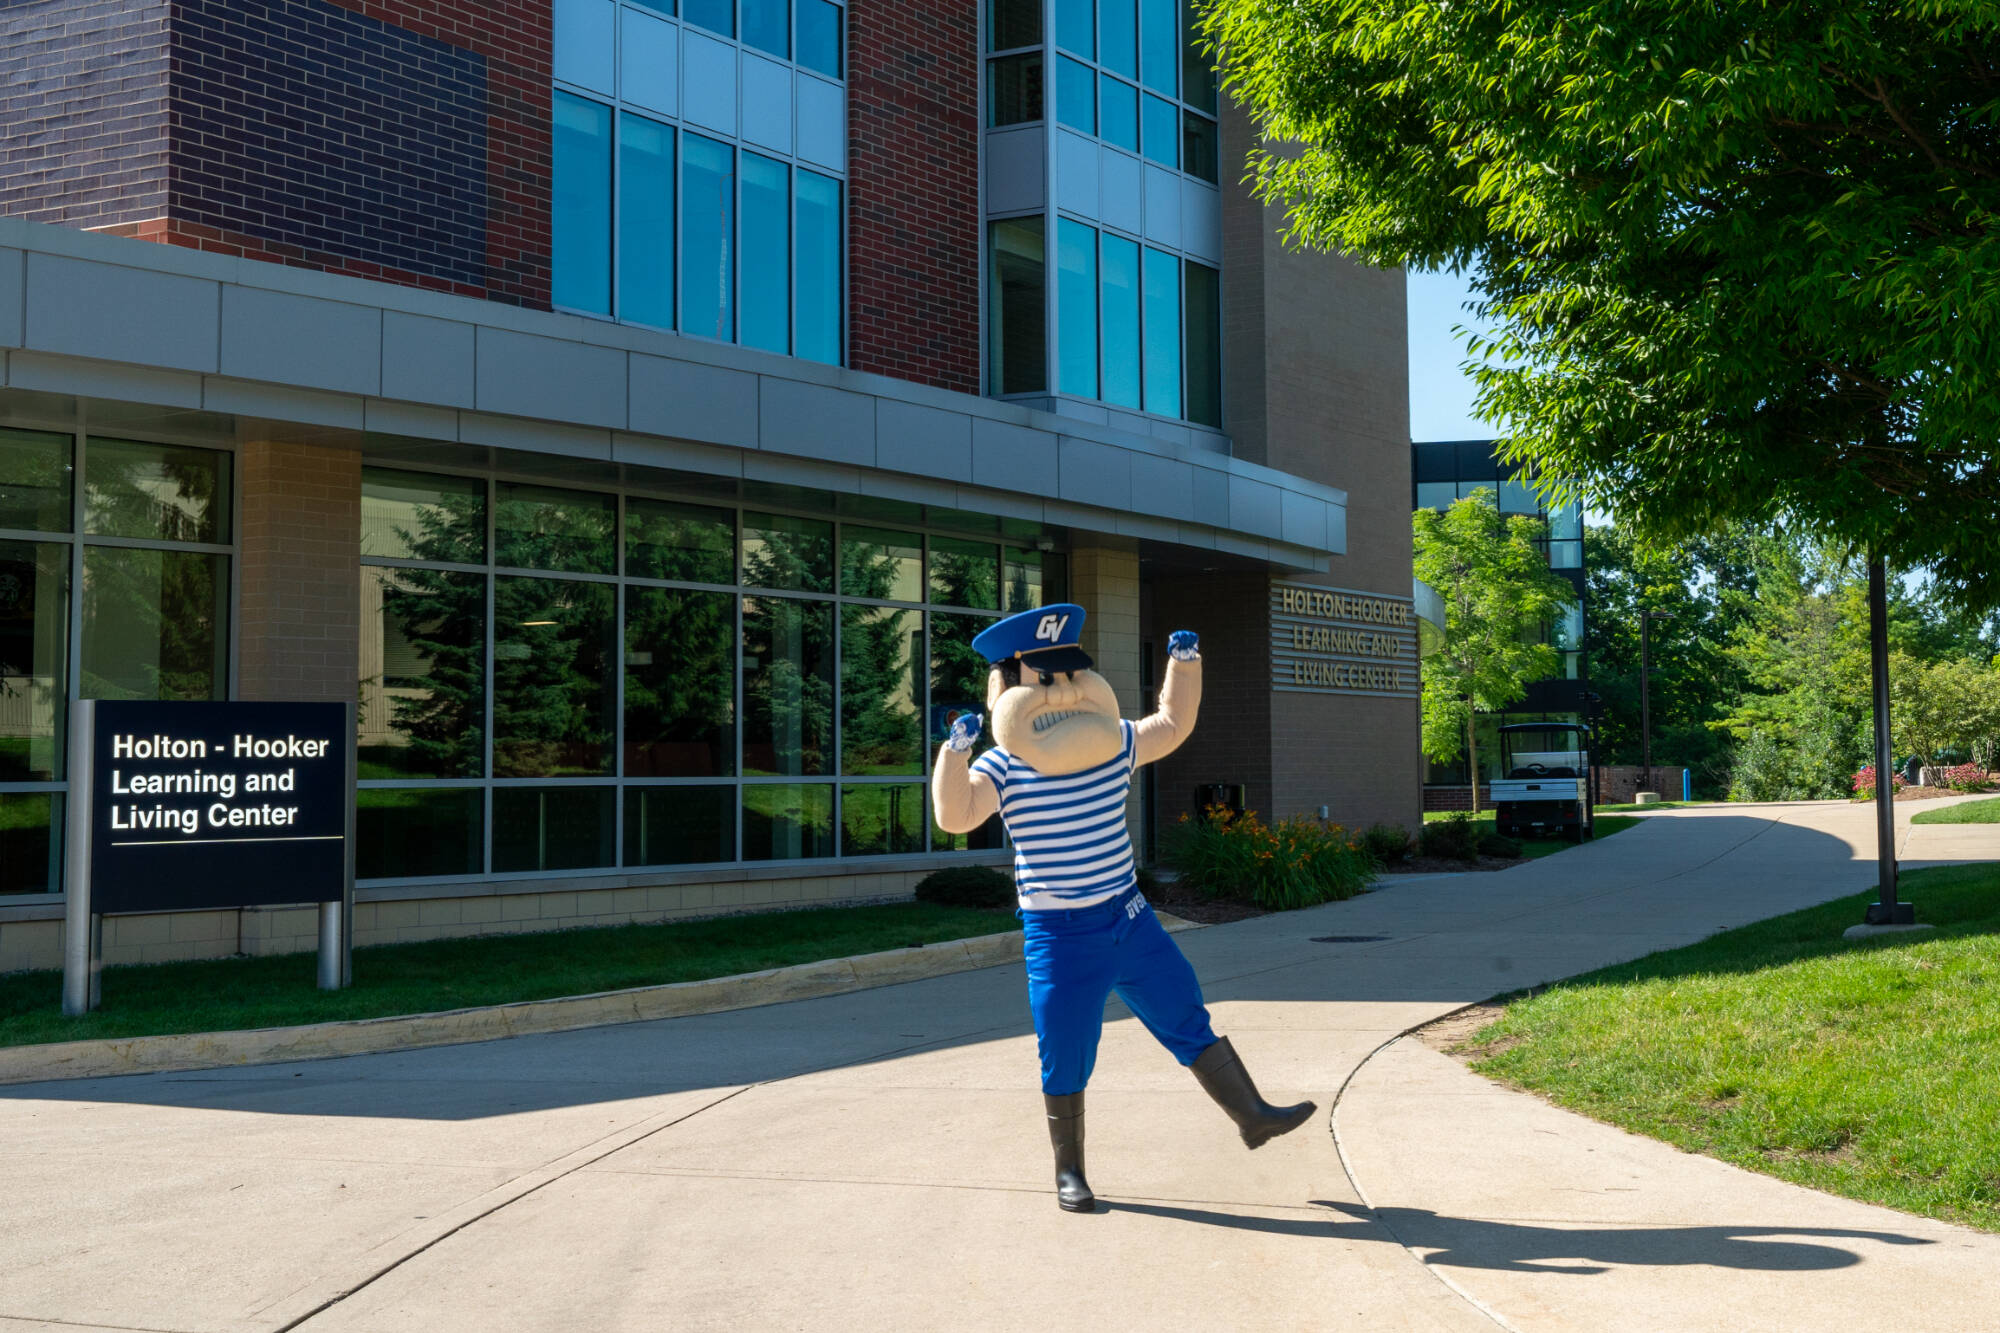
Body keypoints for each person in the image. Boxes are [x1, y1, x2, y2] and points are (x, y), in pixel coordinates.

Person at [931, 602, 1314, 1212]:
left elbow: (1170, 724)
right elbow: (956, 817)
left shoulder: (1114, 744)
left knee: (1185, 1012)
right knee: (1066, 1046)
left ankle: (1254, 1117)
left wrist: (1183, 666)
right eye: (1043, 677)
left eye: (1070, 673)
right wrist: (955, 753)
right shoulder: (1004, 764)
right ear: (1003, 685)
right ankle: (1069, 1173)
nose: (1061, 691)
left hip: (1130, 918)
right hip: (1059, 935)